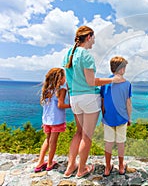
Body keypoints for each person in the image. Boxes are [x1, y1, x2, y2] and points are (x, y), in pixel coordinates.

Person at [62, 26, 124, 179]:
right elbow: (91, 82)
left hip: (74, 98)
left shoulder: (68, 54)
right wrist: (112, 80)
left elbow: (70, 82)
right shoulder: (86, 56)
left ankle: (70, 167)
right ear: (88, 37)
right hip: (88, 99)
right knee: (86, 136)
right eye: (94, 38)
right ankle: (81, 169)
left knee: (78, 133)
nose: (94, 42)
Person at [34, 68, 71, 173]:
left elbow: (47, 107)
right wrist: (72, 105)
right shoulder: (61, 90)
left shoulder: (46, 91)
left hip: (46, 120)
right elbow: (60, 105)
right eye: (64, 77)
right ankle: (50, 163)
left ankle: (40, 162)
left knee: (47, 140)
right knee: (53, 142)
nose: (65, 79)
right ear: (60, 78)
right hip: (56, 121)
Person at [100, 56, 132, 176]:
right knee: (121, 143)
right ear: (122, 69)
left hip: (108, 118)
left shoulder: (105, 82)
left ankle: (107, 168)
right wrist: (129, 117)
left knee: (108, 143)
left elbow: (102, 101)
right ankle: (121, 167)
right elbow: (128, 103)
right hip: (122, 118)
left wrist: (103, 116)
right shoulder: (127, 84)